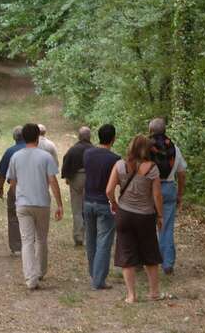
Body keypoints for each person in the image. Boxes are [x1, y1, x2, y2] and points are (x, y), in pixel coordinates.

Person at [106, 135, 164, 303]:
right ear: (146, 149)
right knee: (150, 253)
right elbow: (157, 195)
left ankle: (131, 295)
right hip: (145, 216)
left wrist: (114, 203)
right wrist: (160, 215)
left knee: (126, 253)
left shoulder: (119, 165)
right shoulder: (152, 168)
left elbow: (109, 190)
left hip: (124, 214)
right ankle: (154, 292)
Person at [6, 123, 64, 289]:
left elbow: (13, 182)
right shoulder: (45, 157)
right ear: (38, 136)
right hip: (42, 203)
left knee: (27, 241)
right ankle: (40, 271)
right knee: (41, 239)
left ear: (23, 137)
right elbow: (53, 181)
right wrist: (59, 204)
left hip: (23, 204)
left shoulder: (16, 157)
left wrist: (18, 197)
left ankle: (30, 278)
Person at [83, 124, 120, 290]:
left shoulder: (88, 153)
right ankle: (98, 280)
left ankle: (94, 274)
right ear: (113, 138)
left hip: (88, 200)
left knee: (90, 239)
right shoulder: (115, 159)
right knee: (104, 241)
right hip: (104, 203)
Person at [149, 117, 187, 275]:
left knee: (147, 226)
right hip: (169, 188)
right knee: (166, 227)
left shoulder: (146, 149)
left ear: (150, 131)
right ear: (165, 130)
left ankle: (147, 260)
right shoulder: (175, 149)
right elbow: (182, 172)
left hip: (150, 190)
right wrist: (180, 194)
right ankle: (167, 263)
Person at [0, 126, 25, 254]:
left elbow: (2, 173)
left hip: (15, 188)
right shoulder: (34, 150)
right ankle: (30, 244)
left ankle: (17, 246)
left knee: (13, 217)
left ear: (14, 137)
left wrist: (0, 188)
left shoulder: (9, 152)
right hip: (33, 188)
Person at [61, 126, 93, 246]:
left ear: (79, 137)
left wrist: (68, 177)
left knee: (77, 208)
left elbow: (66, 162)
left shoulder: (73, 149)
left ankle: (78, 236)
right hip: (90, 179)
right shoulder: (93, 149)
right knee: (88, 208)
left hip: (76, 178)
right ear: (89, 137)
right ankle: (89, 235)